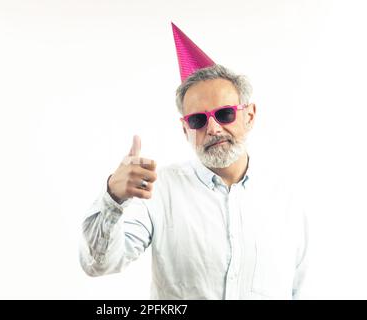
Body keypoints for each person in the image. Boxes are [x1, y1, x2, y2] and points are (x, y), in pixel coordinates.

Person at [79, 23, 308, 299]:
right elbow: (99, 264)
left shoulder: (286, 201)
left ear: (249, 115)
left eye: (224, 114)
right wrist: (113, 198)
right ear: (185, 129)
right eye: (198, 120)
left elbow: (301, 290)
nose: (212, 129)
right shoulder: (158, 191)